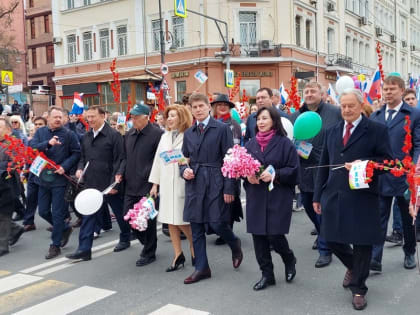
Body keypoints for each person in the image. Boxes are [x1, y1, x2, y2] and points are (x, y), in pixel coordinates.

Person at [313, 89, 393, 310]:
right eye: (343, 106)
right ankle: (354, 267)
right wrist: (317, 196)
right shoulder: (331, 131)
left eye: (351, 106)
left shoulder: (376, 130)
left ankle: (359, 288)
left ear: (361, 105)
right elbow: (324, 165)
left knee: (362, 243)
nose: (346, 110)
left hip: (363, 196)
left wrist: (364, 163)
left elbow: (387, 163)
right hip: (334, 194)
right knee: (329, 238)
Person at [181, 93, 243, 285]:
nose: (198, 109)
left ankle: (234, 243)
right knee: (196, 225)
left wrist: (229, 188)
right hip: (195, 182)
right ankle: (202, 267)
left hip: (217, 179)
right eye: (194, 107)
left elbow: (230, 159)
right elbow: (183, 158)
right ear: (191, 110)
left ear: (209, 107)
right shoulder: (189, 133)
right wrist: (184, 170)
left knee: (217, 223)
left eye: (201, 106)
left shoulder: (222, 128)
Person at [244, 106, 299, 291]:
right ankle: (267, 274)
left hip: (278, 195)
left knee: (275, 234)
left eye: (265, 118)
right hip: (256, 195)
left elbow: (294, 170)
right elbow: (242, 168)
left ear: (274, 120)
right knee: (258, 236)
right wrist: (247, 176)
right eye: (258, 119)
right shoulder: (250, 145)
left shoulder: (285, 143)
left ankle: (288, 258)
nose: (260, 122)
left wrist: (275, 175)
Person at [370, 75, 420, 271]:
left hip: (405, 176)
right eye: (386, 89)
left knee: (408, 220)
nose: (388, 92)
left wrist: (415, 166)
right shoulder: (376, 116)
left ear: (401, 90)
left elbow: (417, 144)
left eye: (392, 89)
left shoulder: (413, 114)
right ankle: (375, 258)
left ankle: (409, 252)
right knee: (379, 217)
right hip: (381, 175)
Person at [66, 106, 128, 261]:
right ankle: (84, 249)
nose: (90, 120)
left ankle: (126, 237)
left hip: (109, 184)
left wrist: (116, 184)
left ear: (103, 116)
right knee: (88, 215)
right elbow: (83, 157)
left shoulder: (114, 135)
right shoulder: (86, 137)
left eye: (93, 116)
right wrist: (80, 169)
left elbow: (121, 159)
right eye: (88, 117)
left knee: (120, 213)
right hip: (91, 183)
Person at [291, 81, 342, 268]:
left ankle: (325, 249)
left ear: (322, 94)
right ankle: (323, 234)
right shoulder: (296, 115)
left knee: (323, 208)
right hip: (304, 170)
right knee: (308, 206)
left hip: (327, 169)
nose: (309, 94)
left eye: (313, 91)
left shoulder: (334, 113)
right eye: (306, 91)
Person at [149, 105, 195, 271]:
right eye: (168, 116)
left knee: (182, 220)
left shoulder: (190, 134)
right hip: (167, 183)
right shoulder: (164, 136)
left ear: (181, 117)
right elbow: (157, 160)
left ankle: (193, 246)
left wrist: (185, 161)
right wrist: (155, 184)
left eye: (173, 115)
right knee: (170, 221)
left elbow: (194, 156)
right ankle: (178, 254)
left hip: (183, 180)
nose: (169, 119)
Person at [31, 106, 81, 259]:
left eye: (60, 117)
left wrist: (64, 167)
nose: (58, 119)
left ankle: (55, 245)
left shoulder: (69, 134)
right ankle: (64, 229)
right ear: (49, 119)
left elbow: (76, 153)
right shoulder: (41, 133)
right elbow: (32, 148)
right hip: (43, 178)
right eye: (55, 117)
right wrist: (48, 144)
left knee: (58, 213)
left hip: (60, 179)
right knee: (43, 211)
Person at [123, 103, 163, 267]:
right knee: (128, 216)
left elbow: (159, 161)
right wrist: (120, 173)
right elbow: (124, 157)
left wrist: (156, 183)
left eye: (137, 117)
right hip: (130, 183)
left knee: (147, 220)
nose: (133, 120)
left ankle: (149, 251)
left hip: (148, 184)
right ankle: (146, 243)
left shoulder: (157, 134)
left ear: (147, 117)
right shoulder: (129, 134)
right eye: (132, 117)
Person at [210, 94, 243, 245]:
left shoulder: (233, 124)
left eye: (225, 104)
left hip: (229, 168)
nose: (222, 107)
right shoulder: (211, 122)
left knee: (229, 201)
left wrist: (233, 171)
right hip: (214, 169)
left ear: (229, 107)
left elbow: (234, 150)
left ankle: (227, 232)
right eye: (219, 104)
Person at [0, 117, 24, 257]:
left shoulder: (13, 144)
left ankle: (2, 246)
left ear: (8, 130)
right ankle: (15, 230)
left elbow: (15, 164)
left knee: (3, 215)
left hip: (8, 185)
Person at [22, 117, 47, 232]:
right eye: (36, 124)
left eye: (40, 124)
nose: (37, 126)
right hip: (33, 171)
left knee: (49, 199)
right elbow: (28, 156)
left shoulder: (48, 137)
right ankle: (29, 221)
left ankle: (64, 219)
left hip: (46, 172)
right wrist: (25, 171)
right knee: (31, 196)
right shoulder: (31, 140)